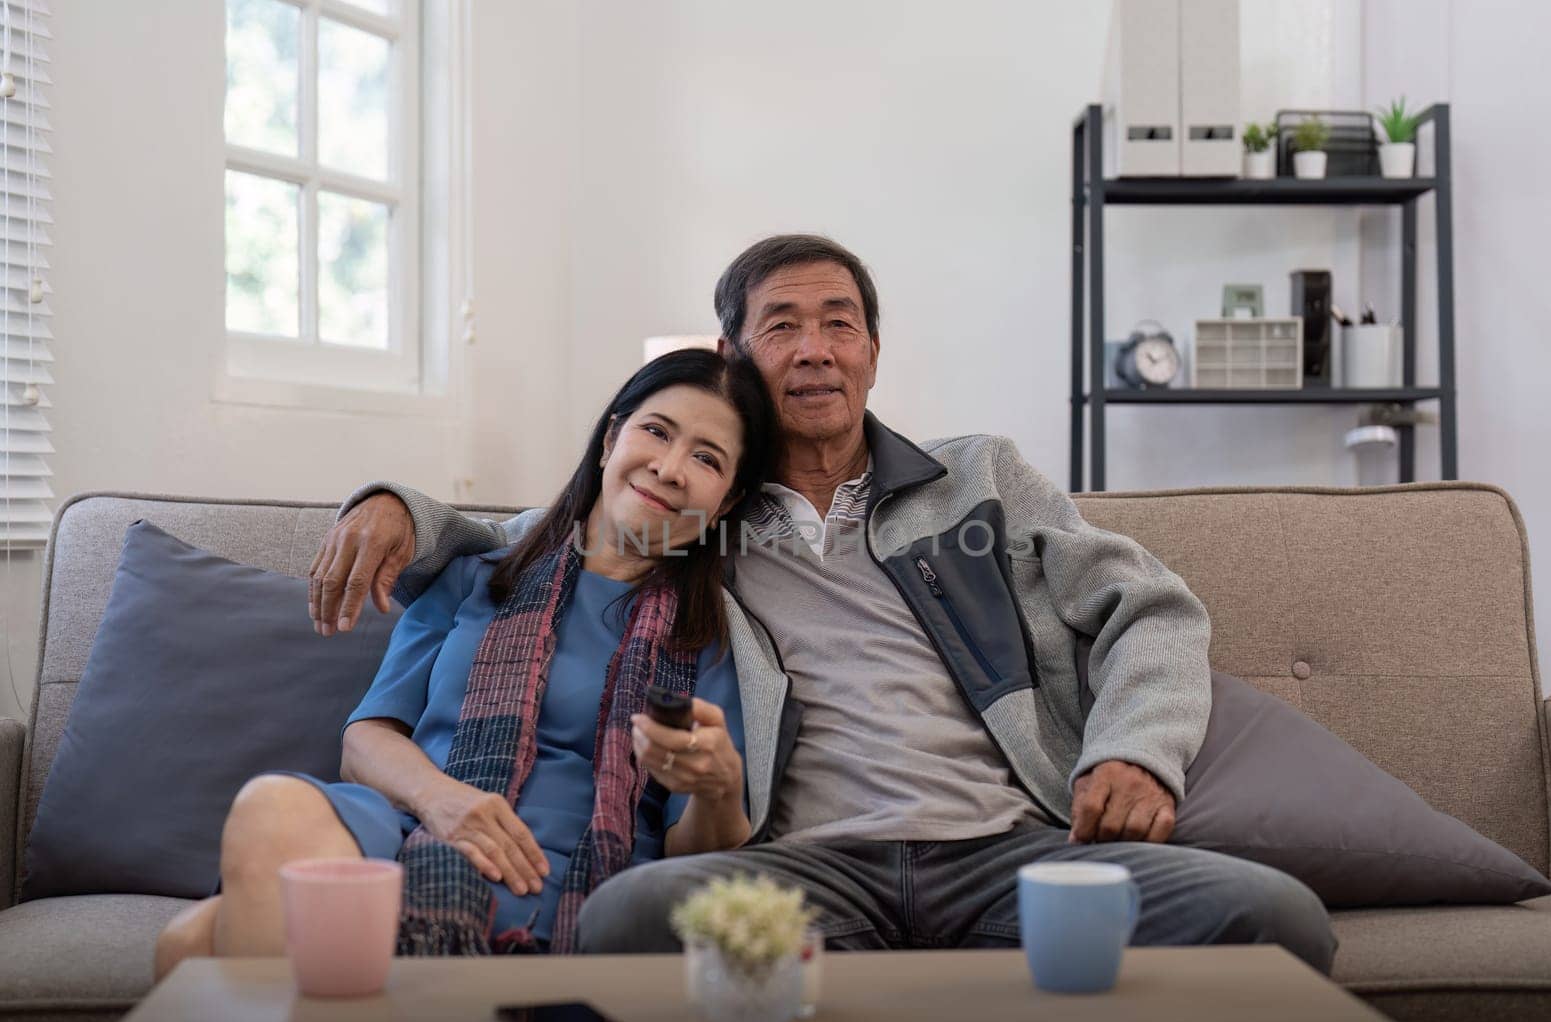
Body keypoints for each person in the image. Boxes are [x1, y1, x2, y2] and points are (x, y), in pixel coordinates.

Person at [309, 235, 1337, 972]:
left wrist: (1132, 748)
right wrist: (401, 504)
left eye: (838, 324)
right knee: (627, 919)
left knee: (1275, 916)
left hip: (1010, 848)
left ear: (871, 354)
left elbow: (1149, 607)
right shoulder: (700, 504)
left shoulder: (979, 477)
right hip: (800, 866)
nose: (814, 348)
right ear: (735, 358)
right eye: (781, 326)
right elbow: (551, 532)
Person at [154, 349, 776, 977]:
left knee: (189, 945)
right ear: (612, 438)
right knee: (273, 806)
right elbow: (367, 740)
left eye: (706, 458)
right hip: (410, 826)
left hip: (566, 868)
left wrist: (719, 790)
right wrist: (443, 801)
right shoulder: (475, 575)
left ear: (724, 503)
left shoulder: (709, 642)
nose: (669, 468)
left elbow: (698, 846)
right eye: (657, 431)